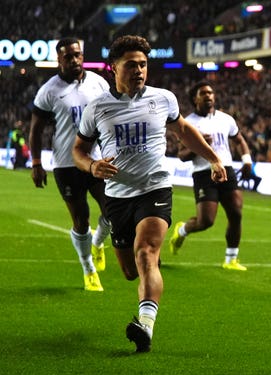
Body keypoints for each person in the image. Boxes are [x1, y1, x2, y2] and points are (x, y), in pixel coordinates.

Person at [72, 36, 227, 352]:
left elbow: (183, 130)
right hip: (116, 196)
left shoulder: (163, 99)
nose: (139, 70)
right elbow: (78, 150)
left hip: (154, 188)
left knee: (147, 253)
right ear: (114, 67)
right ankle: (143, 310)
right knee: (130, 271)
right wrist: (91, 167)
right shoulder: (97, 108)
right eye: (131, 65)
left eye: (143, 64)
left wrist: (213, 158)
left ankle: (145, 326)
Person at [29, 37, 112, 292]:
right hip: (66, 164)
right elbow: (36, 130)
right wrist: (35, 162)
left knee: (113, 210)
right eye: (68, 56)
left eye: (77, 54)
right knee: (81, 219)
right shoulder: (48, 91)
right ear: (59, 59)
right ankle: (88, 268)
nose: (74, 60)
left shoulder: (100, 83)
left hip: (96, 158)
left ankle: (98, 243)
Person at [169, 81, 253, 271]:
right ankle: (182, 230)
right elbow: (181, 156)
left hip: (227, 169)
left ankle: (231, 259)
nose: (208, 96)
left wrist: (247, 160)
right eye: (203, 93)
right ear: (195, 98)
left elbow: (239, 140)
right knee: (206, 221)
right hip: (203, 173)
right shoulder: (187, 123)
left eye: (211, 93)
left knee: (236, 213)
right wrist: (198, 146)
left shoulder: (226, 119)